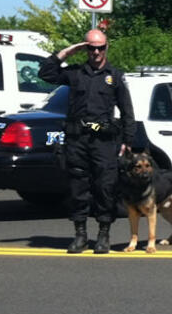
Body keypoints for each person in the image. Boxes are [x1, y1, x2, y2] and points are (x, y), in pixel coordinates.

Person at [39, 28, 136, 254]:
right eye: (91, 48)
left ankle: (103, 235)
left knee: (105, 187)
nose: (96, 52)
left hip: (104, 141)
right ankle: (80, 235)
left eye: (100, 47)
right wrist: (69, 51)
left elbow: (127, 111)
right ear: (86, 48)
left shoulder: (115, 76)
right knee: (77, 187)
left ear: (106, 47)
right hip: (77, 139)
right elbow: (45, 73)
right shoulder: (75, 73)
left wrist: (127, 140)